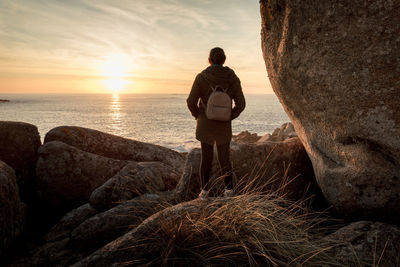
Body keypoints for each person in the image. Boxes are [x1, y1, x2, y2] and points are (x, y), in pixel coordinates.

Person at [186, 47, 246, 199]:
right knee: (224, 159)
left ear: (209, 60)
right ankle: (229, 191)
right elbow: (241, 104)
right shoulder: (232, 78)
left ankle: (204, 192)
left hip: (205, 123)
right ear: (224, 60)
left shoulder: (201, 77)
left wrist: (198, 115)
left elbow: (190, 101)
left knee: (206, 159)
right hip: (223, 126)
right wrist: (229, 116)